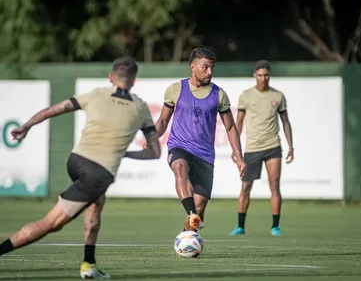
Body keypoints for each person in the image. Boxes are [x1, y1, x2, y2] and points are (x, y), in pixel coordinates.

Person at [0, 56, 161, 279]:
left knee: (96, 204)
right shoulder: (141, 107)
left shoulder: (95, 94)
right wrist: (124, 153)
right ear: (134, 81)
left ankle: (89, 264)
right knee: (51, 224)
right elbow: (155, 153)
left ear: (111, 77)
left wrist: (27, 125)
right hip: (98, 173)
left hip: (76, 161)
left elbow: (54, 110)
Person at [126, 47, 246, 232]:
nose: (210, 72)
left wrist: (238, 157)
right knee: (180, 168)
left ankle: (188, 238)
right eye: (205, 67)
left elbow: (230, 127)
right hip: (179, 146)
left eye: (212, 68)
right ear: (193, 66)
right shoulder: (176, 89)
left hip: (205, 155)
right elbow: (163, 121)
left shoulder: (219, 94)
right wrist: (152, 138)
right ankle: (192, 214)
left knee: (200, 206)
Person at [229, 60, 294, 236]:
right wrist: (236, 150)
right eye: (259, 75)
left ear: (270, 75)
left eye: (266, 75)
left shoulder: (278, 96)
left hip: (273, 146)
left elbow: (285, 122)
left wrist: (290, 146)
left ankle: (275, 226)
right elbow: (239, 123)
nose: (263, 78)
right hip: (252, 147)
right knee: (245, 187)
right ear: (254, 75)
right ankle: (240, 226)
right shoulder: (246, 96)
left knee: (274, 185)